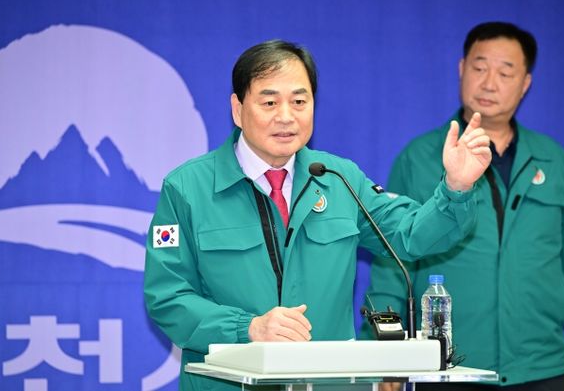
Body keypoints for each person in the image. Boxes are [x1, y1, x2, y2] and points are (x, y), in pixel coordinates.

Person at [143, 39, 491, 390]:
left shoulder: (338, 179)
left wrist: (456, 187)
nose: (286, 116)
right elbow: (168, 297)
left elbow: (410, 234)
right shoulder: (188, 189)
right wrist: (247, 328)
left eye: (299, 101)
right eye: (269, 102)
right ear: (238, 109)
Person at [361, 22, 564, 391]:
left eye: (505, 73)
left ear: (525, 83)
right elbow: (391, 262)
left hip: (539, 367)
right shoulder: (420, 158)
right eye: (479, 68)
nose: (489, 83)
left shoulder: (553, 161)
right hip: (447, 366)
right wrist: (384, 353)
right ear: (462, 69)